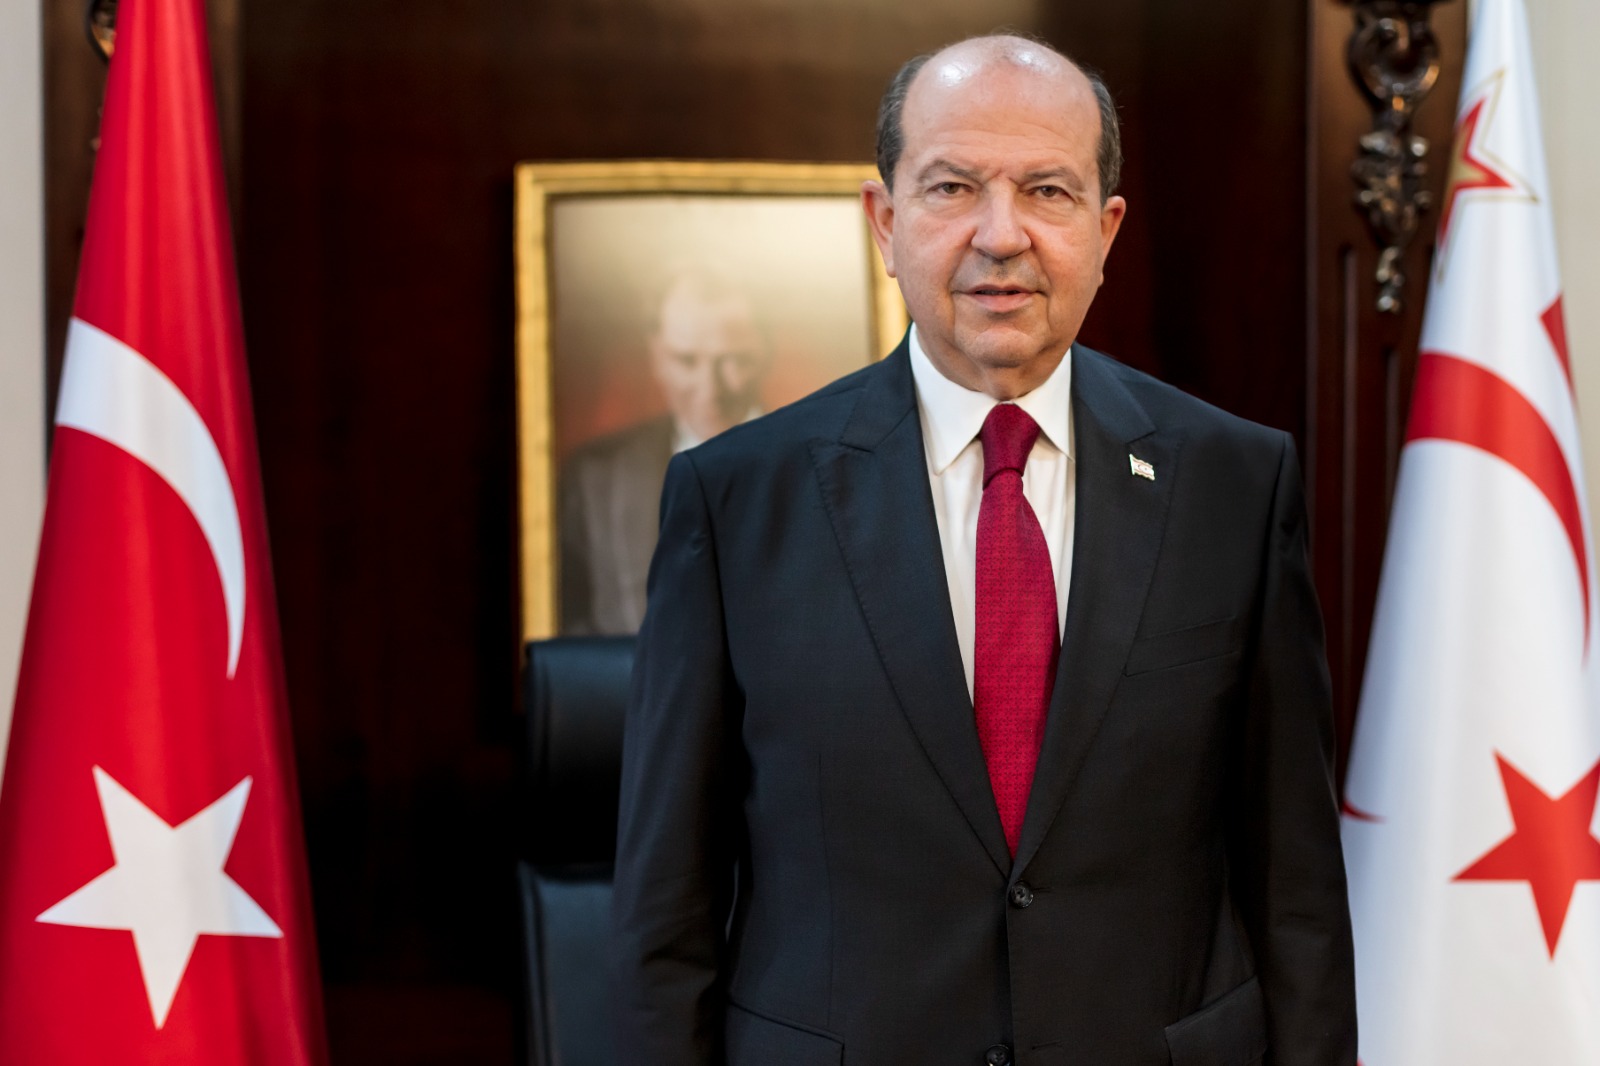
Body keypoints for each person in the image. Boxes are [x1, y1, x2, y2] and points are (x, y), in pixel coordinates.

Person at [612, 33, 1356, 1066]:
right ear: (885, 221)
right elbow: (667, 911)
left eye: (1047, 191)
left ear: (1105, 229)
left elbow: (1297, 890)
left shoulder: (1234, 483)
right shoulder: (737, 498)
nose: (1001, 236)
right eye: (953, 187)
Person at [558, 271, 771, 635]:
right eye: (686, 361)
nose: (710, 389)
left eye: (734, 360)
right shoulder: (596, 479)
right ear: (655, 355)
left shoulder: (824, 465)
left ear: (766, 352)